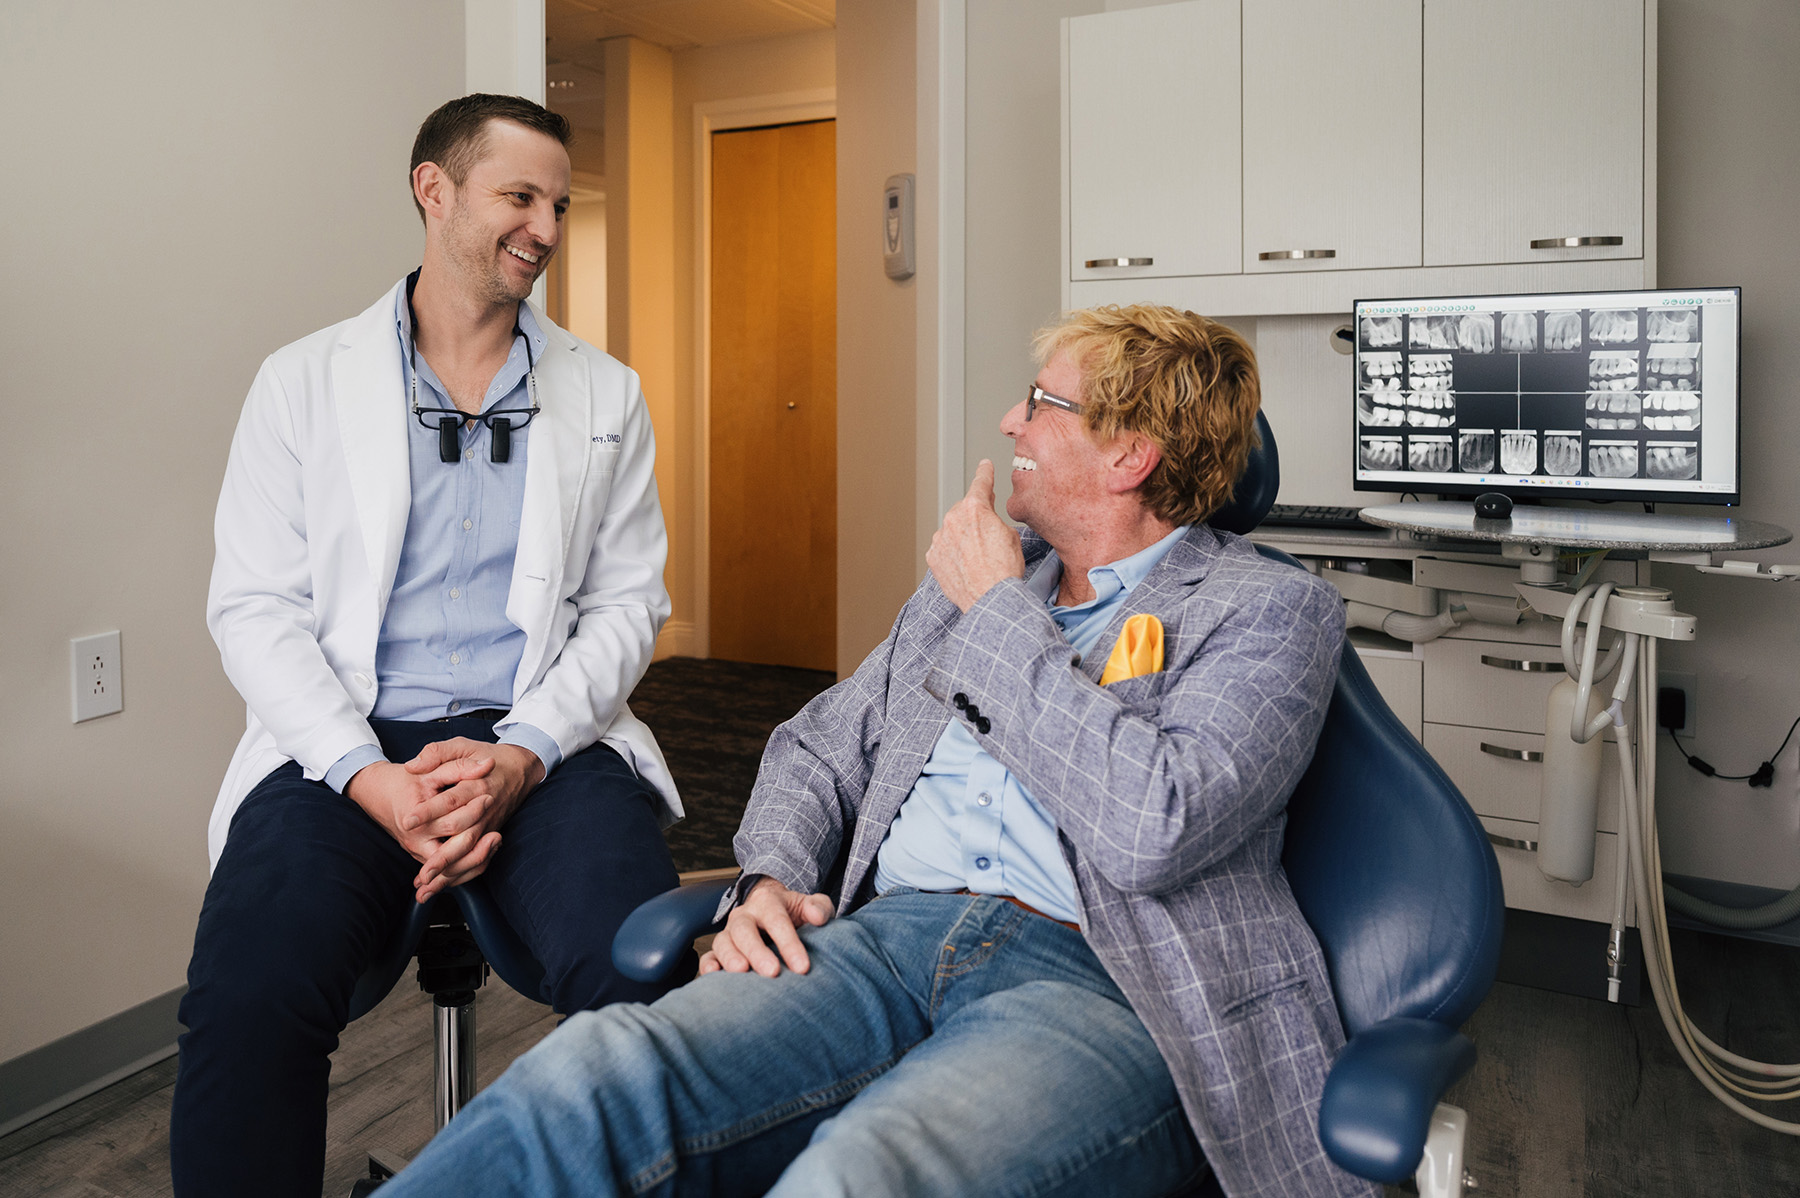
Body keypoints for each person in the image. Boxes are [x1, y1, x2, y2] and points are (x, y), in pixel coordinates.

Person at [380, 305, 1373, 1198]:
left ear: (1128, 456)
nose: (1010, 424)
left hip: (1105, 984)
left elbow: (1156, 824)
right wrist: (768, 877)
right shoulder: (980, 585)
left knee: (859, 1177)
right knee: (582, 1078)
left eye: (1042, 404)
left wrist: (994, 613)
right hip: (878, 942)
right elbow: (821, 744)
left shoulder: (1271, 610)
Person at [170, 94, 688, 1197]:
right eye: (518, 196)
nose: (545, 225)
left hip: (541, 735)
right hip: (342, 749)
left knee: (651, 968)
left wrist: (524, 751)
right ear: (434, 190)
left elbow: (628, 605)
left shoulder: (606, 392)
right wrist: (367, 775)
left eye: (558, 202)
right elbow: (253, 607)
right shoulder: (301, 383)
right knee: (249, 990)